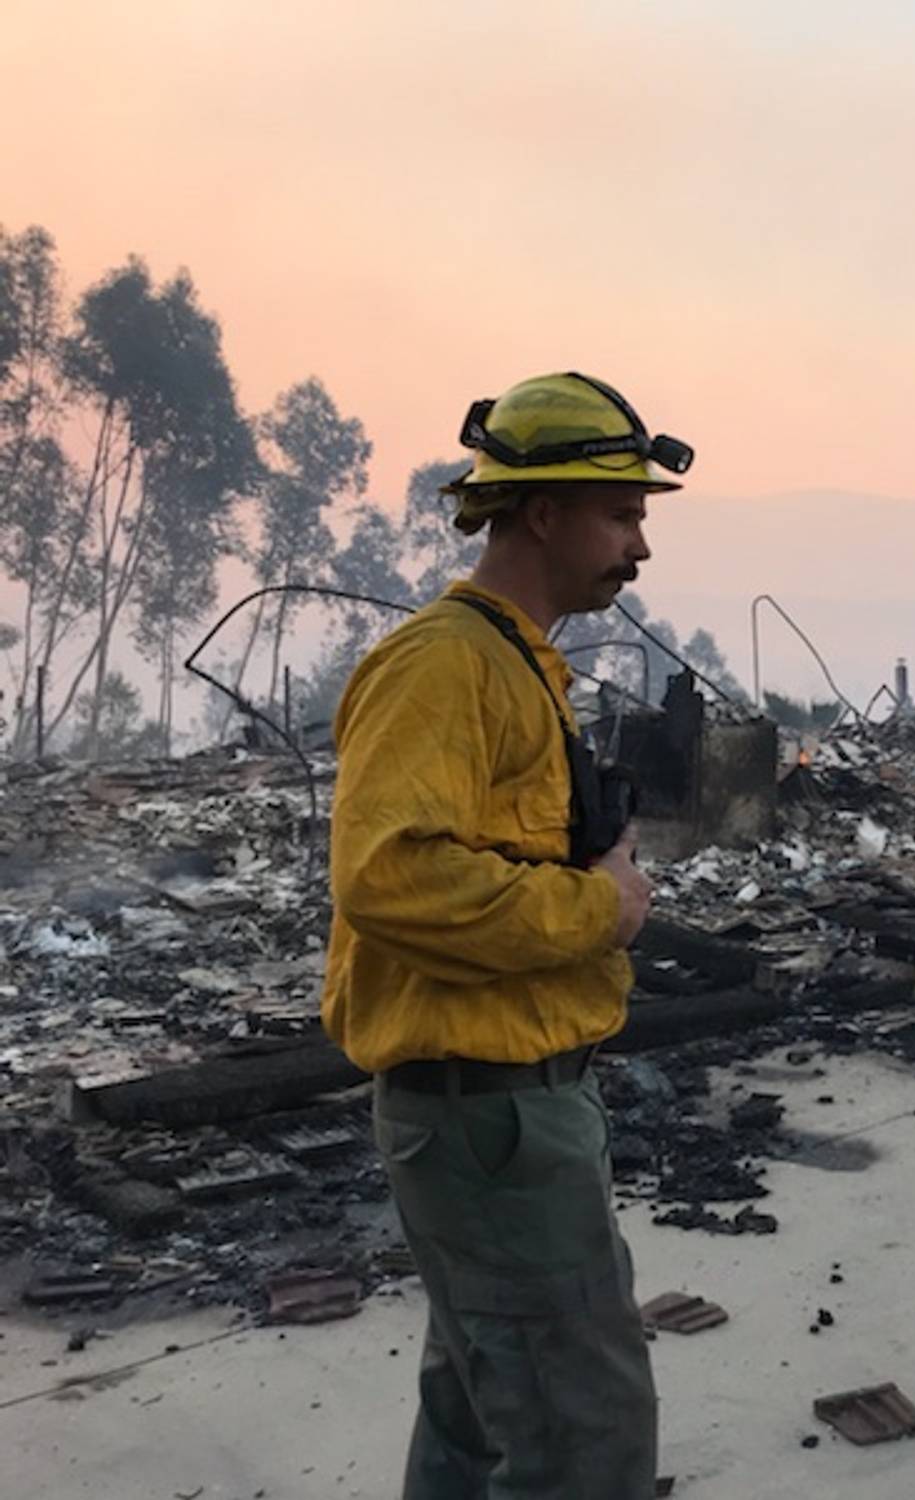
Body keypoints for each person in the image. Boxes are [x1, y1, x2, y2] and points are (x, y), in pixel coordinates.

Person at [321, 371, 693, 1499]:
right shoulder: (445, 665)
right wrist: (601, 907)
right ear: (540, 513)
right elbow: (389, 874)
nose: (639, 546)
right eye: (620, 515)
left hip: (505, 1109)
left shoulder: (514, 658)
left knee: (481, 1414)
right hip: (489, 1120)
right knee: (582, 1434)